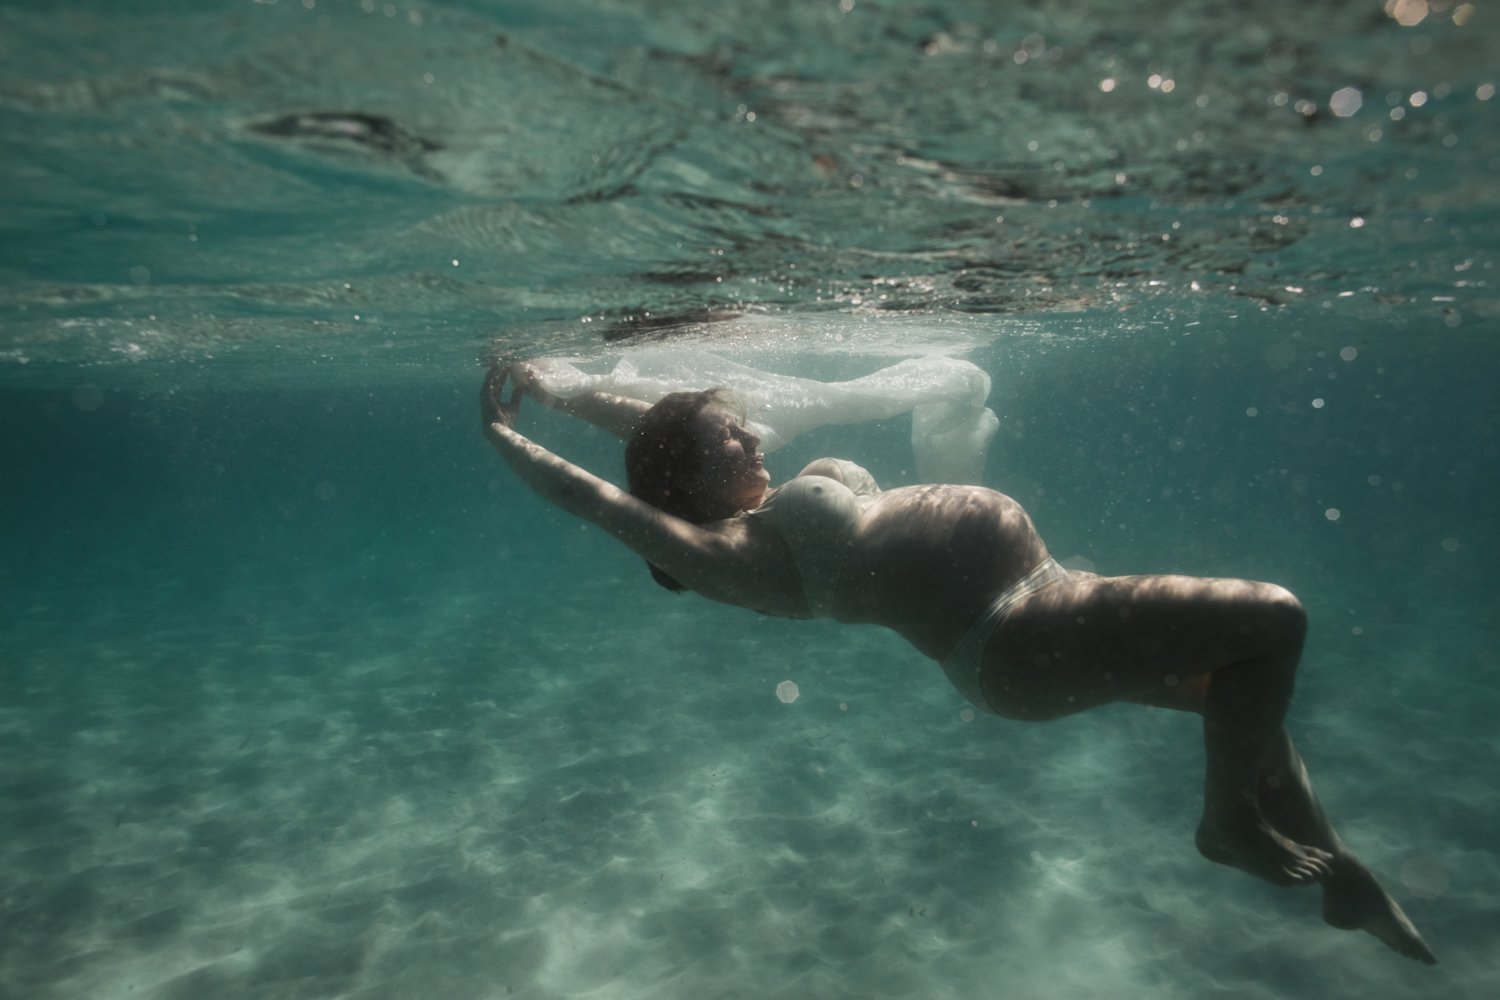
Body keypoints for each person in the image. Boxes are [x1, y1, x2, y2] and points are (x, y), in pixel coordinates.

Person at [480, 360, 1436, 964]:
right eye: (729, 437)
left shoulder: (740, 495)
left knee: (1243, 690)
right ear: (694, 478)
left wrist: (555, 385)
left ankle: (1344, 875)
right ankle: (1226, 821)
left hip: (1045, 603)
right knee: (1271, 619)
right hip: (1016, 639)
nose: (753, 433)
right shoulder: (736, 558)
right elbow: (603, 498)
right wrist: (504, 434)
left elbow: (646, 432)